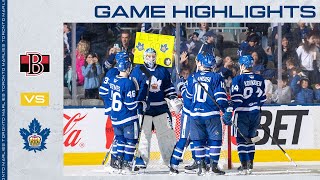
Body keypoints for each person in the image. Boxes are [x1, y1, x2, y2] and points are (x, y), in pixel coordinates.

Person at [130, 48, 183, 170]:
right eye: (148, 56)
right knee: (143, 136)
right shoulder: (137, 71)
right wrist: (137, 102)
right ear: (143, 57)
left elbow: (168, 87)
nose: (150, 58)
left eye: (153, 56)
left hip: (161, 108)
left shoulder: (162, 70)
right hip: (144, 110)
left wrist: (173, 98)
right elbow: (133, 90)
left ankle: (169, 158)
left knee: (167, 136)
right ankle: (141, 160)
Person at [185, 52, 231, 176]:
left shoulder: (192, 77)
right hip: (211, 115)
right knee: (215, 140)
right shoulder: (216, 77)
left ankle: (201, 167)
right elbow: (220, 98)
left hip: (195, 116)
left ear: (201, 63)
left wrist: (191, 112)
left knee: (198, 141)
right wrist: (226, 110)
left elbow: (187, 98)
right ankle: (213, 167)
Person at [100, 52, 142, 174]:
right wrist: (141, 103)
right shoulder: (125, 81)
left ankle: (117, 164)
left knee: (120, 140)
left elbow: (107, 92)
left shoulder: (114, 79)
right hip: (127, 117)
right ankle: (126, 164)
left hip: (116, 116)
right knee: (130, 141)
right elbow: (130, 104)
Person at [230, 55, 266, 175]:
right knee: (251, 139)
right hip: (255, 112)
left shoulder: (238, 79)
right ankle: (250, 165)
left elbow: (237, 99)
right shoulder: (260, 79)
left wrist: (230, 109)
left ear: (243, 65)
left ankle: (244, 165)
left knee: (241, 140)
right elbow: (263, 98)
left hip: (242, 113)